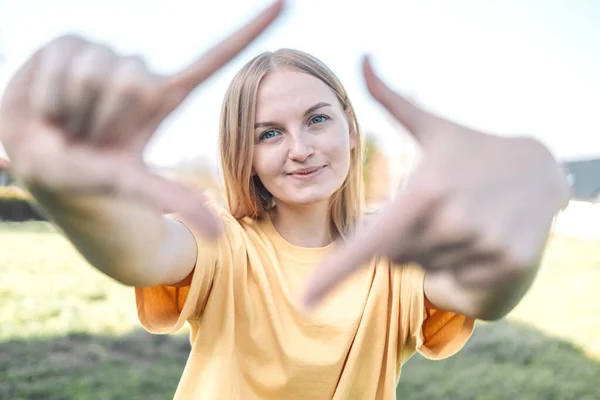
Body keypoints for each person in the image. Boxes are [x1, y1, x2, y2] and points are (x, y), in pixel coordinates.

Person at [0, 0, 570, 399]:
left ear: (351, 128)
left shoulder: (396, 261)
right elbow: (140, 252)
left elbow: (482, 290)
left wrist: (519, 235)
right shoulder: (220, 238)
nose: (299, 149)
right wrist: (70, 192)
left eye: (317, 120)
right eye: (267, 132)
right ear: (242, 154)